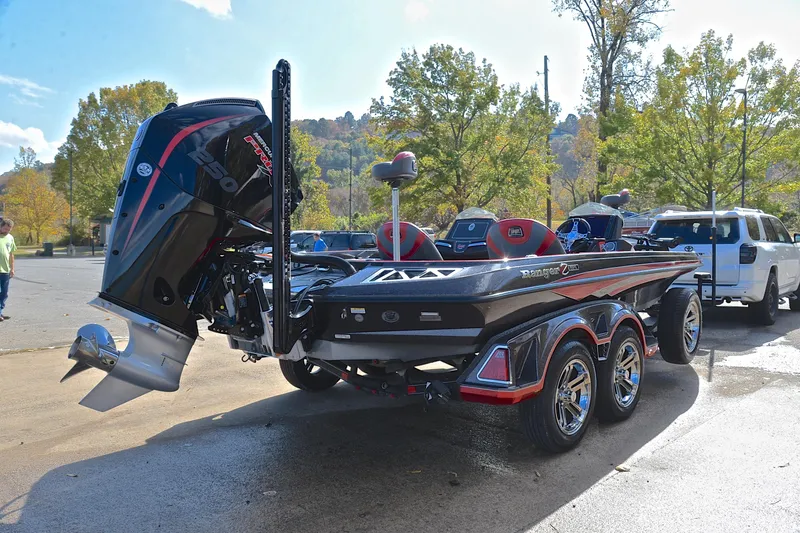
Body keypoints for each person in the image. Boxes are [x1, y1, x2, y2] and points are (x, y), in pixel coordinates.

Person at [0, 219, 16, 322]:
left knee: (4, 293)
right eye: (5, 228)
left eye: (9, 230)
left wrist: (12, 268)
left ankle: (0, 311)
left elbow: (11, 254)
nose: (6, 231)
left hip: (5, 270)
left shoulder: (10, 238)